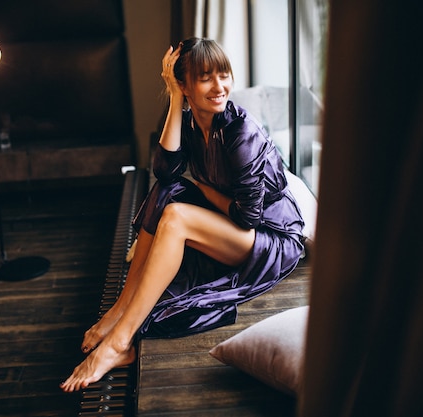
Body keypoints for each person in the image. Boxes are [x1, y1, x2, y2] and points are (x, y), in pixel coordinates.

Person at [60, 37, 305, 392]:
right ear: (185, 85)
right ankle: (119, 308)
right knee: (166, 192)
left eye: (224, 74)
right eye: (205, 78)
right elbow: (164, 171)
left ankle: (119, 344)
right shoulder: (192, 123)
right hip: (240, 225)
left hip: (271, 238)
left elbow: (248, 217)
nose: (219, 87)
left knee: (175, 216)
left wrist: (204, 191)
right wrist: (175, 100)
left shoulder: (240, 132)